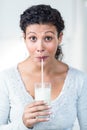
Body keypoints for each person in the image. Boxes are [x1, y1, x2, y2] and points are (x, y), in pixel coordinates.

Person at [0, 4, 87, 130]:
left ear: (60, 38)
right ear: (24, 39)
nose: (40, 47)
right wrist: (23, 124)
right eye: (33, 38)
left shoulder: (79, 79)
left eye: (48, 38)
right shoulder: (6, 78)